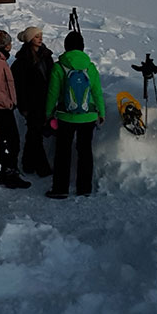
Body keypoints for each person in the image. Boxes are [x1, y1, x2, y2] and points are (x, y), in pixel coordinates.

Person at [44, 31, 105, 198]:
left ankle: (60, 189)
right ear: (82, 47)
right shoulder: (90, 67)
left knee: (63, 152)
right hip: (88, 115)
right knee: (85, 151)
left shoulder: (59, 66)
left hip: (65, 115)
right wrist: (101, 112)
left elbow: (53, 92)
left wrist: (48, 113)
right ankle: (85, 188)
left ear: (66, 46)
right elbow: (97, 91)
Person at [0, 29, 31, 189]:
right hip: (0, 108)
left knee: (6, 139)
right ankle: (9, 173)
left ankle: (3, 172)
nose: (11, 46)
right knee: (11, 140)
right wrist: (8, 102)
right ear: (5, 45)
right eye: (9, 43)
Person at [11, 26, 54, 178]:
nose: (40, 39)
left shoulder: (46, 56)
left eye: (41, 35)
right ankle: (42, 167)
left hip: (45, 101)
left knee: (33, 133)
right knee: (36, 134)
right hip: (31, 103)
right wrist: (22, 106)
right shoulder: (22, 61)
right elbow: (20, 85)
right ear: (30, 40)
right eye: (37, 36)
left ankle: (28, 163)